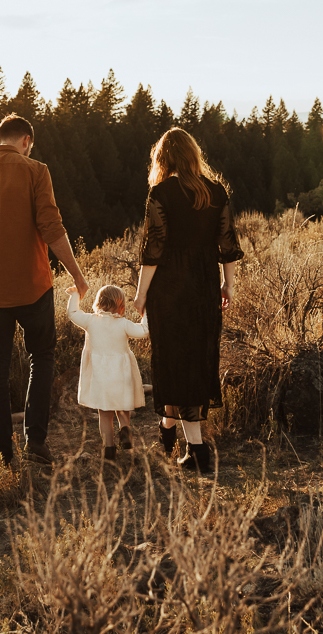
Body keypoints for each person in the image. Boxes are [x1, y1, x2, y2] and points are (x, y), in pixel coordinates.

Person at [0, 113, 90, 467]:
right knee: (41, 358)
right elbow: (52, 228)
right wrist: (78, 276)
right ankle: (35, 443)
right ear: (25, 140)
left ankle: (2, 453)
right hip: (34, 286)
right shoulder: (36, 170)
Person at [133, 127, 243, 474]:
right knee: (195, 359)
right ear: (194, 154)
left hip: (169, 288)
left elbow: (153, 250)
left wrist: (140, 295)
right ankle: (167, 431)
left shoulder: (160, 193)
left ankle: (197, 450)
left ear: (163, 158)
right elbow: (227, 245)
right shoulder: (216, 191)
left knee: (173, 361)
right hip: (203, 285)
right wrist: (227, 285)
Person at [66, 284, 148, 460]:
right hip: (121, 374)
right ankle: (125, 427)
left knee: (105, 414)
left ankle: (109, 449)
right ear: (121, 306)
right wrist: (145, 312)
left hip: (101, 376)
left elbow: (72, 314)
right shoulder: (124, 324)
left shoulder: (90, 320)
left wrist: (75, 295)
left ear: (98, 302)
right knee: (122, 406)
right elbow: (144, 331)